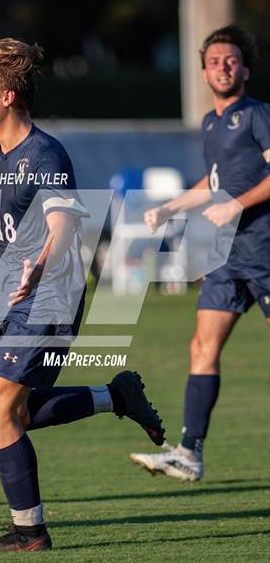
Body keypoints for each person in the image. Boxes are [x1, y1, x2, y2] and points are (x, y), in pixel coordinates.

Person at [0, 38, 165, 553]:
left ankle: (30, 533)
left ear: (7, 95)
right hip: (14, 294)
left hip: (50, 295)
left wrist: (42, 264)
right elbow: (8, 231)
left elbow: (62, 222)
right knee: (16, 413)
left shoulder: (45, 153)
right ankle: (115, 396)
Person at [130, 25, 270, 482]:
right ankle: (189, 452)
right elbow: (212, 185)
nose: (222, 67)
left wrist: (237, 202)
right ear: (204, 72)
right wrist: (170, 206)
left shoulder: (257, 114)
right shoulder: (210, 123)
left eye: (230, 60)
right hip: (229, 256)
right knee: (202, 346)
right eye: (213, 61)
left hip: (266, 249)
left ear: (244, 69)